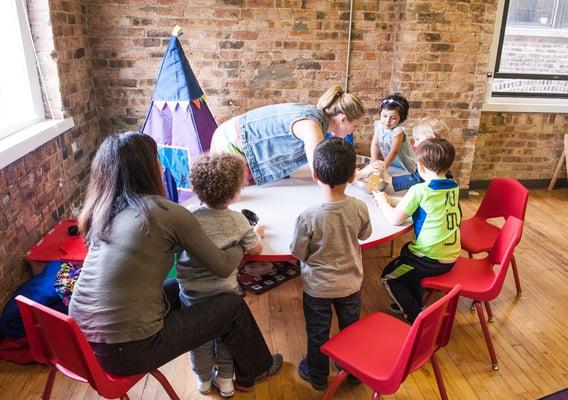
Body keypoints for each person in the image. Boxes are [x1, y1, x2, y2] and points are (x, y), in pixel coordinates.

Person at [68, 132, 282, 392]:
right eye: (156, 158)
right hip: (129, 350)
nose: (161, 165)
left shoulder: (104, 211)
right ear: (145, 168)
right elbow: (224, 266)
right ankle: (258, 367)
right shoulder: (164, 213)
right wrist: (243, 240)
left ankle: (208, 367)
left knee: (179, 287)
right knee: (232, 304)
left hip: (81, 343)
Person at [176, 153, 265, 397]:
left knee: (198, 340)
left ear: (197, 188)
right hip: (224, 295)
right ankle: (226, 380)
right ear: (235, 193)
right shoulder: (238, 221)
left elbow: (174, 248)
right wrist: (258, 232)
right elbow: (256, 249)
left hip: (192, 295)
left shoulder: (186, 218)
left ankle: (203, 381)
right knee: (227, 336)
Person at [290, 138, 372, 390]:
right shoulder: (359, 207)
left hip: (318, 288)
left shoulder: (308, 216)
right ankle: (354, 372)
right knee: (351, 330)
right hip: (350, 284)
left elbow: (298, 252)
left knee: (317, 332)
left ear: (314, 175)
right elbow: (365, 235)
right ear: (352, 175)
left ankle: (316, 375)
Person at [373, 138, 461, 323]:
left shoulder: (419, 190)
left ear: (420, 166)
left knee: (389, 277)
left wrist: (382, 202)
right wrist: (391, 200)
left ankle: (417, 317)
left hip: (429, 259)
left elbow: (395, 219)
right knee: (406, 255)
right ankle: (415, 302)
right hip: (451, 255)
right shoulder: (453, 186)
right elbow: (424, 205)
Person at [210, 84, 366, 185]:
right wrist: (354, 176)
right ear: (343, 119)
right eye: (355, 125)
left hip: (234, 135)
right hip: (233, 142)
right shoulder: (312, 126)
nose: (355, 130)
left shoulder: (316, 118)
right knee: (230, 198)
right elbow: (321, 174)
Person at [382, 117, 451, 192]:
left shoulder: (431, 158)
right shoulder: (443, 153)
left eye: (417, 139)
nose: (415, 144)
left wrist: (389, 179)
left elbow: (417, 178)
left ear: (431, 138)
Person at [370, 93, 415, 175]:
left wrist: (383, 168)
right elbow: (375, 145)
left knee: (396, 184)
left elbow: (393, 152)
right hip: (391, 164)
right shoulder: (379, 126)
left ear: (401, 118)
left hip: (403, 166)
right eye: (384, 116)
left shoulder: (398, 131)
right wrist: (373, 163)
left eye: (393, 118)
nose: (387, 121)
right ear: (380, 113)